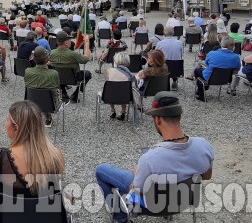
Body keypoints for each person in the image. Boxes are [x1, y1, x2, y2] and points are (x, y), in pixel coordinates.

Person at [96, 92, 213, 223]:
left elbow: (136, 191)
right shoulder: (204, 145)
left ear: (157, 119)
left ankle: (121, 218)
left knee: (101, 170)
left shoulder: (149, 159)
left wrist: (136, 172)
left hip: (152, 206)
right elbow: (207, 176)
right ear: (179, 116)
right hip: (184, 201)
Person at [0, 101, 64, 223]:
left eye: (7, 121)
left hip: (10, 217)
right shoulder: (56, 155)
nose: (5, 124)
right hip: (45, 217)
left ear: (16, 128)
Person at [193, 36, 241, 101]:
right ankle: (203, 88)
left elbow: (207, 63)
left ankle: (201, 93)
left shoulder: (212, 53)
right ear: (230, 46)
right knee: (204, 72)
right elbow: (237, 70)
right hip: (226, 79)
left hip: (210, 77)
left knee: (197, 70)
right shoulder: (236, 57)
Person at [49, 31, 91, 103]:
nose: (71, 41)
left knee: (59, 72)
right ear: (66, 43)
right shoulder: (73, 54)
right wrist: (87, 43)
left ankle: (64, 93)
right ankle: (76, 94)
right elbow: (86, 59)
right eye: (69, 40)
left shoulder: (52, 52)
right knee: (88, 74)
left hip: (59, 78)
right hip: (74, 78)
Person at [24, 47, 60, 127]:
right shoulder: (54, 73)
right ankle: (48, 118)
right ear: (47, 60)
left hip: (31, 102)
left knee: (41, 91)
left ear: (34, 60)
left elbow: (27, 83)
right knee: (51, 93)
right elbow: (56, 88)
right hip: (50, 105)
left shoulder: (27, 71)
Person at [105, 52, 137, 121]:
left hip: (110, 96)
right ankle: (123, 113)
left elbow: (108, 82)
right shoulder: (129, 74)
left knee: (111, 88)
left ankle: (113, 111)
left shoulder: (109, 70)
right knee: (124, 90)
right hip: (125, 97)